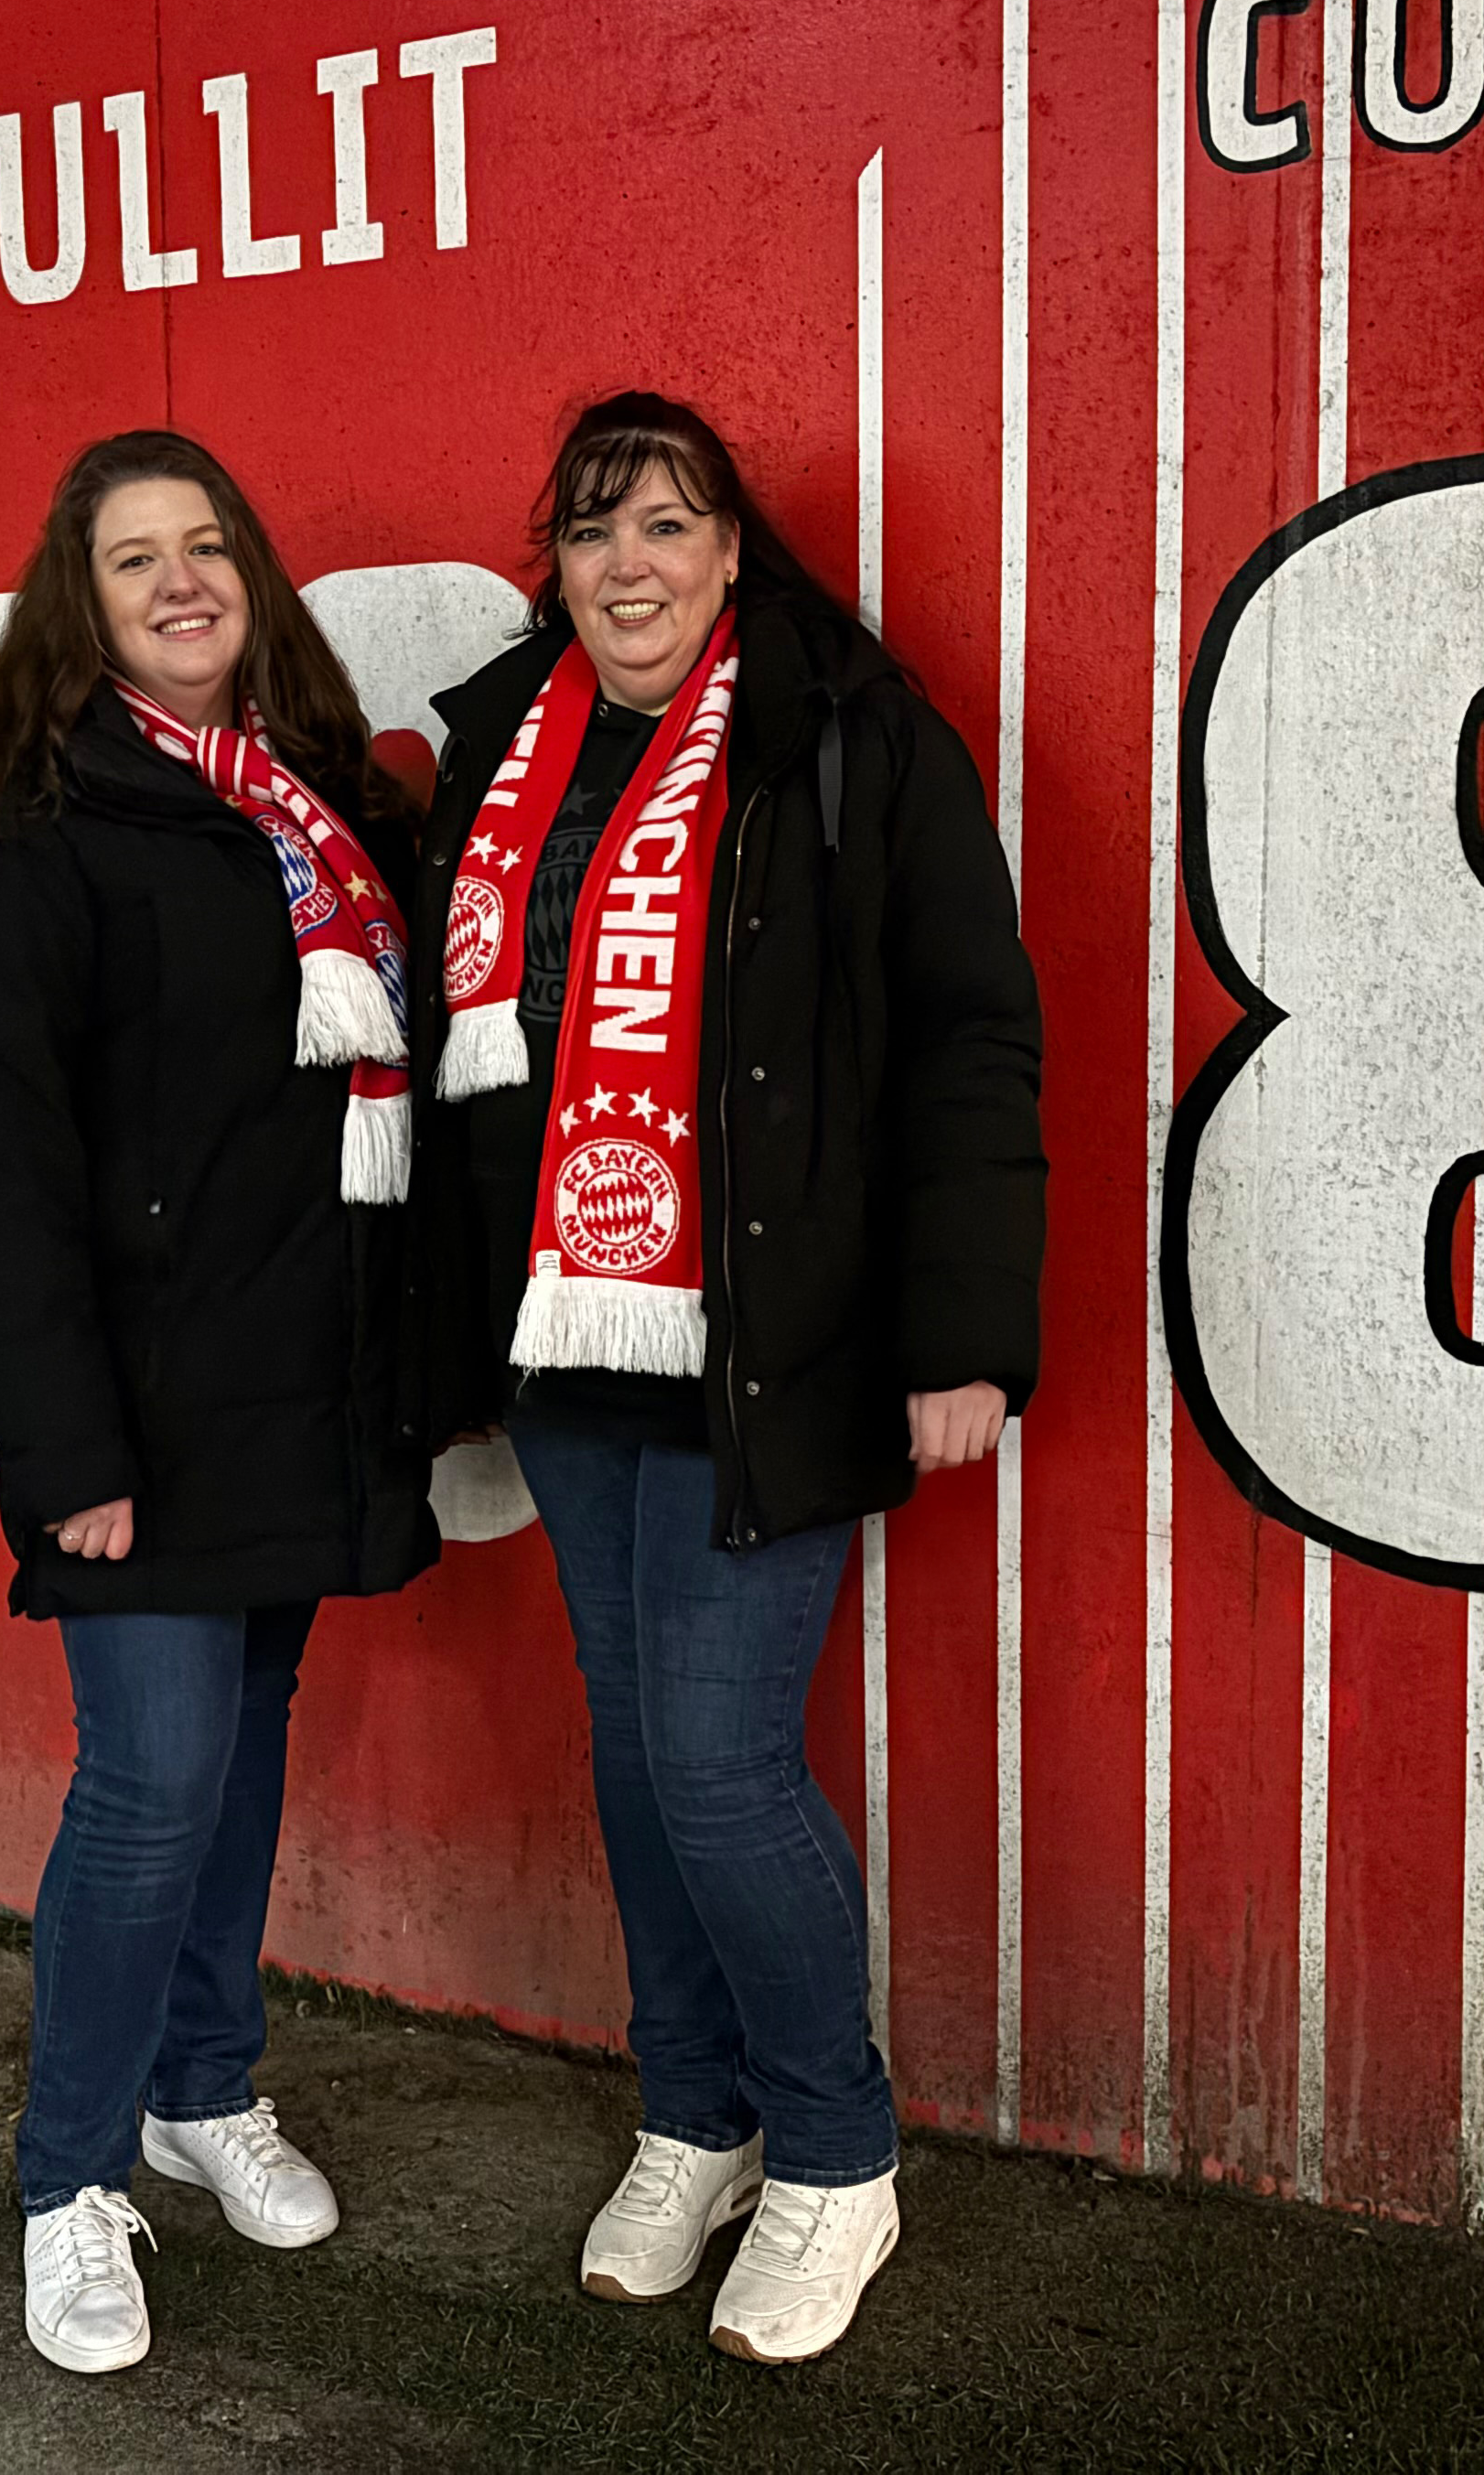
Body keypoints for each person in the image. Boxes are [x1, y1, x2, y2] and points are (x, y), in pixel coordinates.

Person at [410, 392, 1046, 2366]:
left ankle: (838, 2153)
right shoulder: (502, 749)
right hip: (568, 1338)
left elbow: (968, 1037)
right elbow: (457, 1067)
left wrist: (963, 1337)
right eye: (595, 530)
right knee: (630, 1742)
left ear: (734, 553)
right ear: (560, 562)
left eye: (669, 525)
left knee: (714, 1755)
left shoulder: (848, 732)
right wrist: (449, 1337)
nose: (630, 566)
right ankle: (692, 2112)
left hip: (769, 1337)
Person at [0, 430, 440, 2377]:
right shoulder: (22, 828)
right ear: (84, 603)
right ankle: (66, 2180)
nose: (182, 581)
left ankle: (201, 2088)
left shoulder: (325, 805)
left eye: (208, 544)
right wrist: (70, 1458)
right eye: (137, 561)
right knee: (146, 1788)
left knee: (242, 1757)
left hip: (296, 1391)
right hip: (135, 1421)